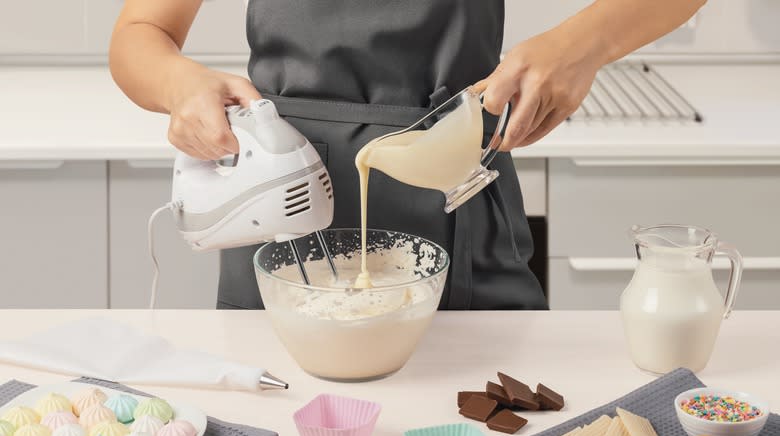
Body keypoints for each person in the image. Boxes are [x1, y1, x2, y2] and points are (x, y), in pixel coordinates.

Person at [110, 0, 706, 310]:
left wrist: (582, 45)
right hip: (283, 200)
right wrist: (177, 85)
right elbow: (140, 31)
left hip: (456, 185)